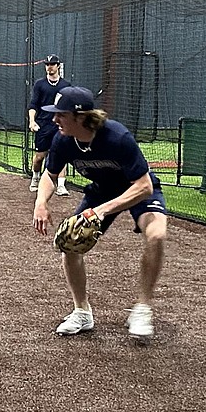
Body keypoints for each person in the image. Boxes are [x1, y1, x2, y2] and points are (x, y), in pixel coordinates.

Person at [32, 85, 169, 341]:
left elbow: (144, 186)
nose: (54, 119)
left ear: (80, 117)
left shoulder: (117, 137)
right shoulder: (62, 140)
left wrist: (101, 211)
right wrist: (41, 202)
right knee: (71, 244)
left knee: (157, 235)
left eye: (60, 114)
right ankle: (82, 312)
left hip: (135, 188)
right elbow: (50, 176)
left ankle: (142, 308)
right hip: (101, 191)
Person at [28, 54, 72, 195]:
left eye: (52, 64)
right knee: (40, 156)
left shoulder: (66, 85)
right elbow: (33, 104)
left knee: (61, 154)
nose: (49, 67)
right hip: (43, 124)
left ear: (58, 66)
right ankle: (35, 177)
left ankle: (60, 185)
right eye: (47, 65)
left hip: (60, 125)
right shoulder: (40, 84)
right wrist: (32, 121)